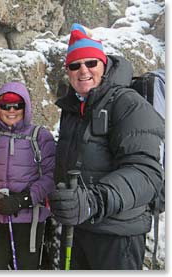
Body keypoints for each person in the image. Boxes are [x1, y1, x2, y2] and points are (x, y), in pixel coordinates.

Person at [48, 23, 165, 270]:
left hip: (117, 234)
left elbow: (146, 173)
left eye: (91, 63)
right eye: (75, 65)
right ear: (67, 71)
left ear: (104, 64)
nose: (83, 70)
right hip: (79, 227)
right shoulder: (73, 109)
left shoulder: (128, 104)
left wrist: (92, 201)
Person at [0, 81, 56, 270]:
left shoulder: (39, 137)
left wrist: (22, 200)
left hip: (29, 220)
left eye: (17, 105)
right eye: (5, 106)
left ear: (26, 107)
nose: (11, 110)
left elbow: (52, 175)